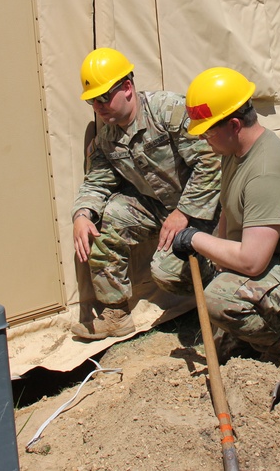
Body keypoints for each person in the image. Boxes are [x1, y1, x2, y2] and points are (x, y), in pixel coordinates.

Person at [154, 67, 280, 370]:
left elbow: (252, 262)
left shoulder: (266, 172)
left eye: (208, 130)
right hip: (273, 252)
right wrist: (219, 256)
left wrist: (197, 239)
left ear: (234, 125)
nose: (204, 139)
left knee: (222, 301)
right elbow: (228, 206)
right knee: (227, 313)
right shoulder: (233, 151)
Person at [70, 47, 221, 340]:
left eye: (103, 97)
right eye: (92, 101)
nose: (98, 107)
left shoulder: (168, 111)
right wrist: (82, 214)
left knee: (166, 274)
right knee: (106, 215)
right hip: (161, 210)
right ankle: (115, 314)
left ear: (127, 88)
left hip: (208, 208)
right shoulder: (107, 137)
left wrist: (185, 212)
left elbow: (211, 163)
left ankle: (223, 291)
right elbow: (96, 183)